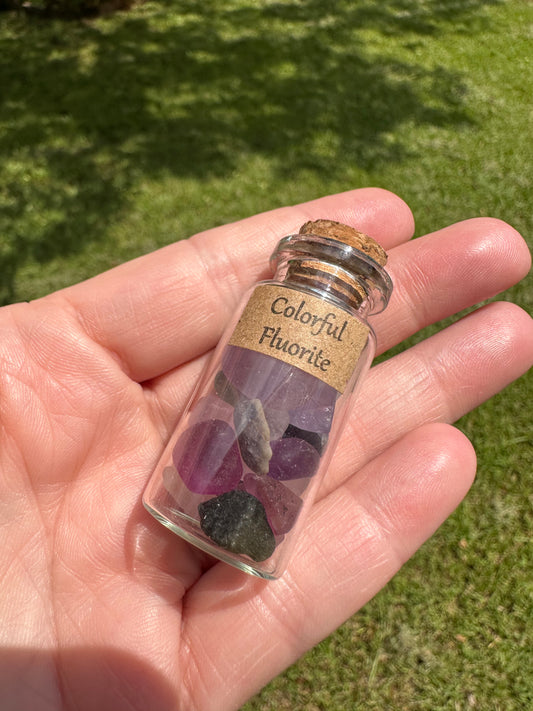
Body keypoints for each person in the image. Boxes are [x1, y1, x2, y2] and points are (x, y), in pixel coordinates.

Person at [0, 188, 531, 711]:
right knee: (223, 422)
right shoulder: (266, 299)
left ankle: (252, 522)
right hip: (195, 486)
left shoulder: (354, 336)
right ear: (295, 263)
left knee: (289, 441)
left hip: (263, 501)